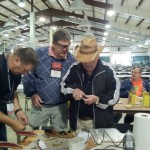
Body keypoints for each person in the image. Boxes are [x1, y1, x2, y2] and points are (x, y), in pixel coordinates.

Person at [61, 37, 120, 131]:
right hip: (77, 122)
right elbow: (63, 86)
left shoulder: (108, 70)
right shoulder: (74, 68)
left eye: (91, 61)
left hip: (100, 123)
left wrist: (98, 99)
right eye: (85, 61)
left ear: (98, 56)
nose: (88, 64)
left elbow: (115, 96)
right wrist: (73, 90)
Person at [22, 29, 75, 131]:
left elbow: (74, 82)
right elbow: (27, 74)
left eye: (67, 46)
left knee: (60, 136)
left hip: (60, 106)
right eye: (61, 45)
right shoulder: (39, 54)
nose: (64, 49)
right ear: (53, 44)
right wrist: (32, 93)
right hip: (40, 105)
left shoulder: (72, 60)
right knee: (37, 135)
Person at [0, 46, 38, 143]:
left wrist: (18, 111)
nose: (25, 74)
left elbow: (13, 92)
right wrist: (13, 123)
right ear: (17, 60)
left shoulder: (16, 73)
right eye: (24, 70)